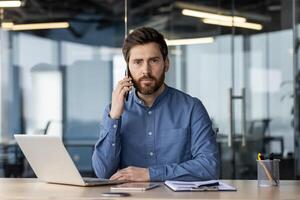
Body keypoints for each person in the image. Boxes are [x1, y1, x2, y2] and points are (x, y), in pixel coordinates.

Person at [92, 27, 219, 181]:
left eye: (154, 60)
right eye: (138, 62)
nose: (146, 70)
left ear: (166, 64)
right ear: (127, 69)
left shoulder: (191, 108)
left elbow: (209, 167)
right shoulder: (114, 110)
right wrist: (114, 117)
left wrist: (150, 174)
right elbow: (103, 172)